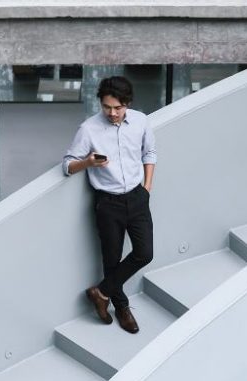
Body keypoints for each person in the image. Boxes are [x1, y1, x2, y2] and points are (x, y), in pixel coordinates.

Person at [63, 76, 156, 334]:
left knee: (144, 253)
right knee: (111, 260)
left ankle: (100, 292)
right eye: (107, 107)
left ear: (128, 103)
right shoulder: (89, 129)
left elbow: (149, 153)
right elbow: (68, 165)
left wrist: (147, 188)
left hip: (137, 197)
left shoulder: (141, 121)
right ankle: (122, 307)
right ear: (101, 104)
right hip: (108, 202)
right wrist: (88, 162)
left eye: (118, 108)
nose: (112, 113)